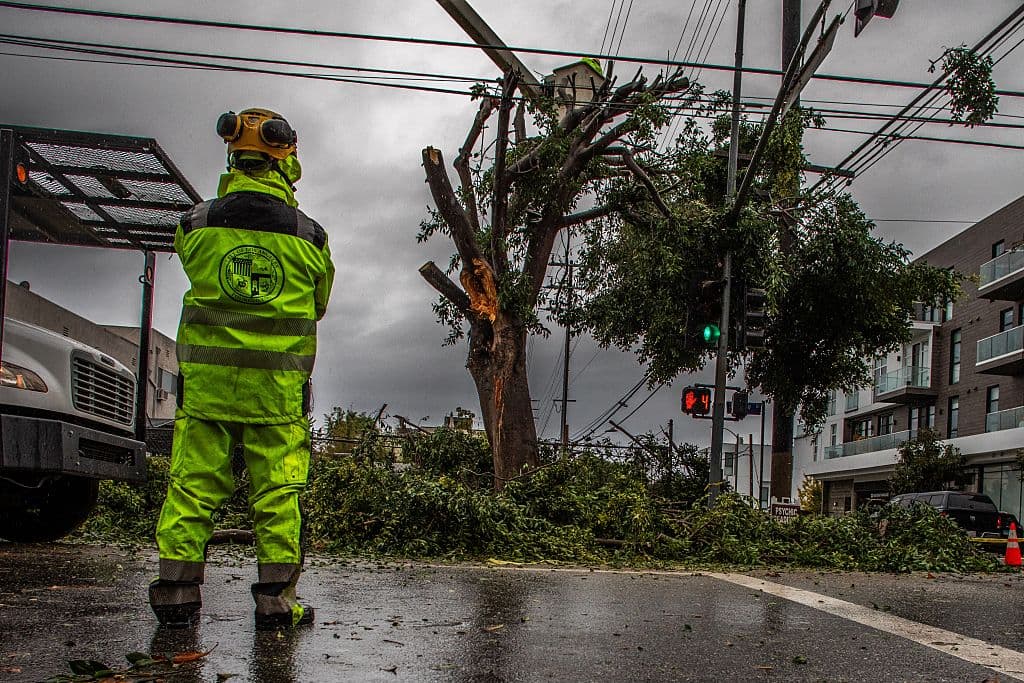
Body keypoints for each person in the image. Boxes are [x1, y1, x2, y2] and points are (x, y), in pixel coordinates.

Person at [149, 108, 335, 629]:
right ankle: (276, 604)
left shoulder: (195, 224)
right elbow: (318, 304)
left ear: (234, 155)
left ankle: (177, 597)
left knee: (191, 487)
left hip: (206, 391)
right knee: (278, 494)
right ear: (287, 159)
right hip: (275, 396)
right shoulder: (311, 239)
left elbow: (196, 268)